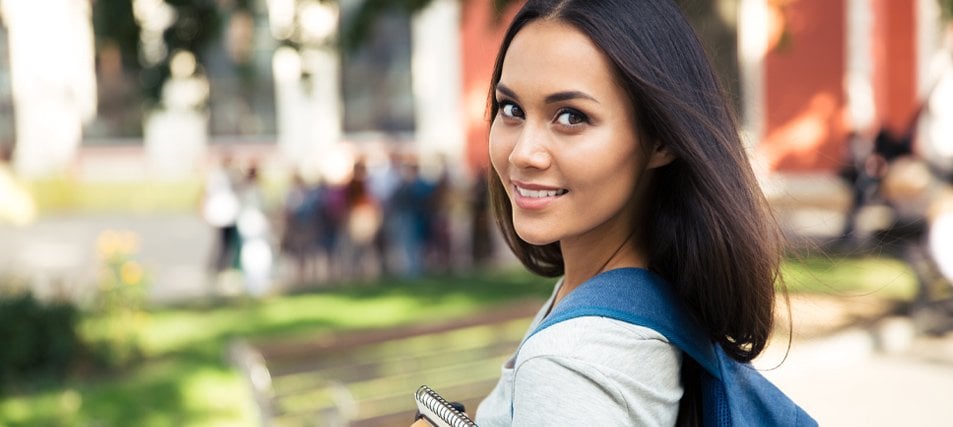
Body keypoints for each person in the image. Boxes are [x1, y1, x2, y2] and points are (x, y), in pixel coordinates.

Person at [412, 1, 785, 425]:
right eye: (511, 109)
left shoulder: (574, 362)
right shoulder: (644, 292)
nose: (523, 153)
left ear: (661, 138)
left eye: (571, 117)